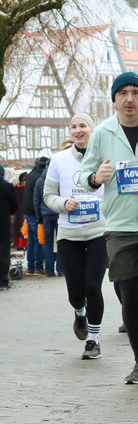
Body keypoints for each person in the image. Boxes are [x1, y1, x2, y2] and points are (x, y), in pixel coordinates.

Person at [81, 71, 138, 382]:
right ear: (114, 99)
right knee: (130, 296)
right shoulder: (103, 133)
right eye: (123, 93)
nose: (130, 98)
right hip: (120, 227)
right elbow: (84, 175)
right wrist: (94, 179)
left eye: (135, 92)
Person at [44, 113, 106, 359]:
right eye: (74, 126)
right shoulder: (59, 160)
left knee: (93, 285)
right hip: (69, 233)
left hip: (100, 231)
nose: (78, 130)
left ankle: (93, 339)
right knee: (75, 292)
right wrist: (63, 202)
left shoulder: (104, 158)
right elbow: (48, 196)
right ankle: (79, 313)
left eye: (83, 126)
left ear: (93, 129)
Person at [34, 166, 63, 277]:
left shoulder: (40, 181)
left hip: (45, 214)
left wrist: (38, 217)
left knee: (48, 243)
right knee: (61, 241)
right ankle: (61, 269)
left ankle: (49, 270)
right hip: (59, 212)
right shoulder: (59, 179)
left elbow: (36, 200)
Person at [24, 157, 49, 273]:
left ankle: (30, 265)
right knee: (39, 239)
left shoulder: (29, 176)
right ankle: (38, 265)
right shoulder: (39, 178)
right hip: (35, 212)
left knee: (31, 240)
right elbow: (38, 198)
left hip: (27, 211)